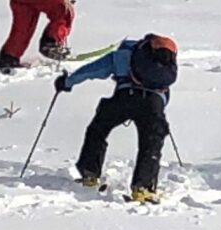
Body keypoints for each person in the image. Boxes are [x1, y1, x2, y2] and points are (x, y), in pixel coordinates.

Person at [59, 34, 178, 202]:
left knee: (98, 130)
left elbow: (93, 69)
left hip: (124, 98)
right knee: (151, 143)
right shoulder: (163, 62)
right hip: (153, 103)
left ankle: (90, 173)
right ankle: (143, 187)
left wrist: (67, 82)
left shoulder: (124, 54)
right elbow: (165, 91)